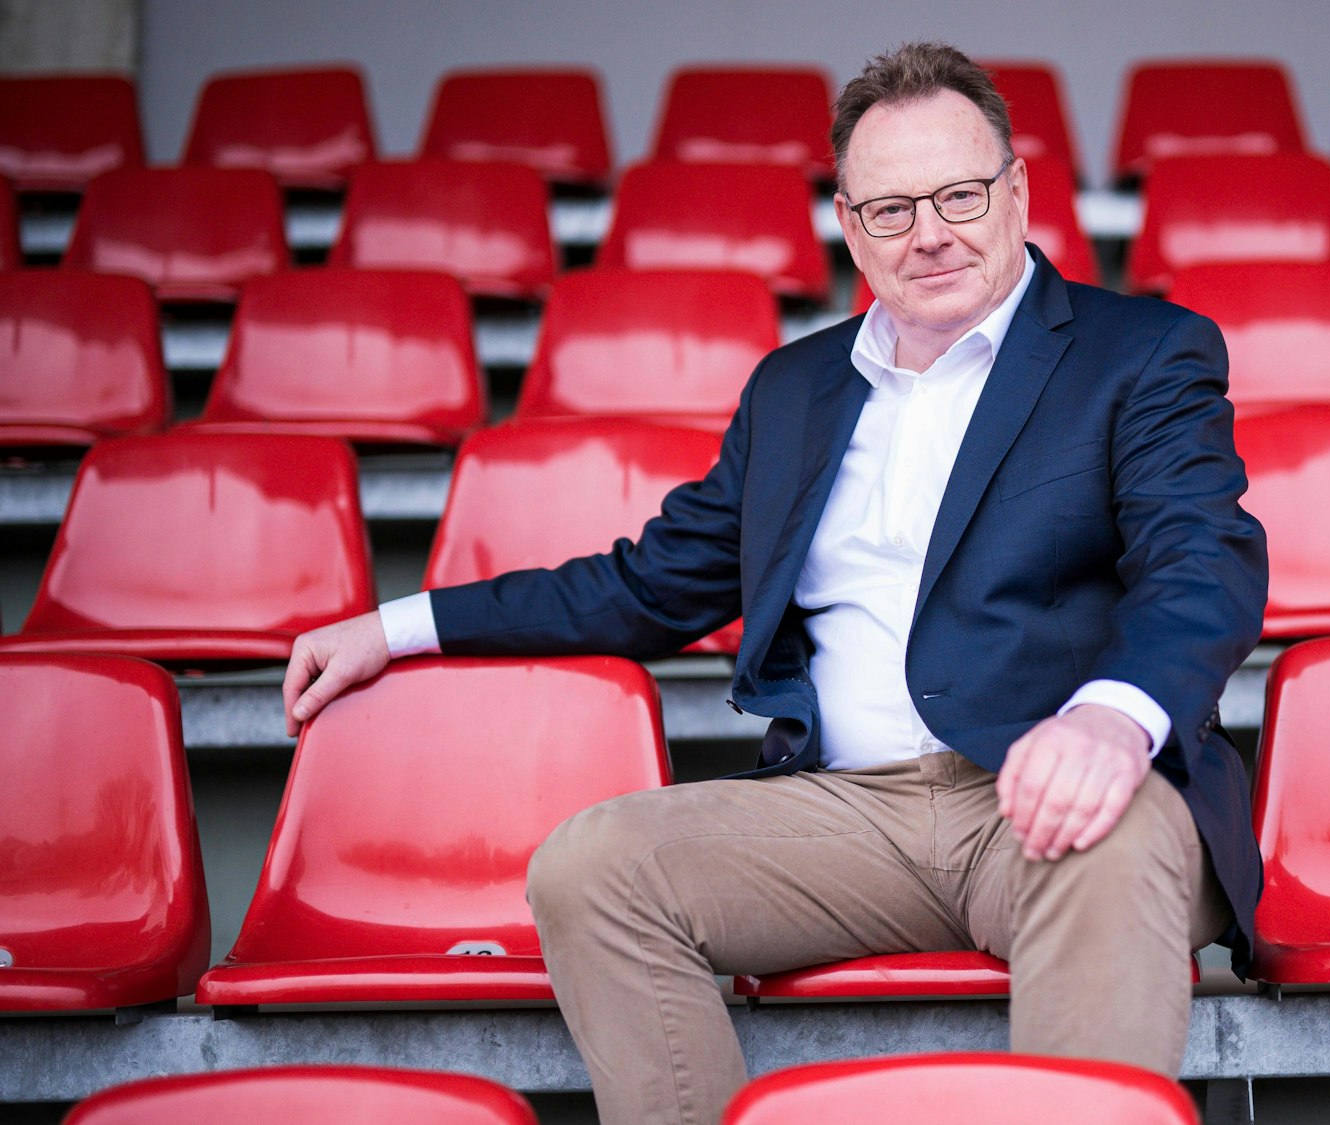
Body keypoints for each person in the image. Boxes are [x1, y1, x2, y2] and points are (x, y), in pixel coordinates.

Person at [282, 41, 1267, 1125]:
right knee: (594, 868)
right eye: (891, 209)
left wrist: (1109, 721)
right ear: (848, 225)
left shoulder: (1141, 353)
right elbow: (653, 583)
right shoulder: (794, 389)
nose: (930, 232)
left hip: (1056, 802)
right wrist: (400, 625)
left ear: (1017, 190)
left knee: (1106, 842)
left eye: (959, 194)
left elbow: (1200, 557)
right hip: (847, 816)